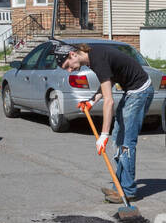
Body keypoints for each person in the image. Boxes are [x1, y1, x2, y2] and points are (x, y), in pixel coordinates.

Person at [58, 43, 153, 202]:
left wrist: (103, 135)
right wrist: (91, 101)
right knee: (118, 140)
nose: (69, 70)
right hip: (131, 92)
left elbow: (109, 102)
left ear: (73, 55)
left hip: (139, 92)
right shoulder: (93, 57)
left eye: (68, 66)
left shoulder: (98, 60)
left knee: (126, 144)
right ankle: (120, 186)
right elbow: (109, 80)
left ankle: (128, 191)